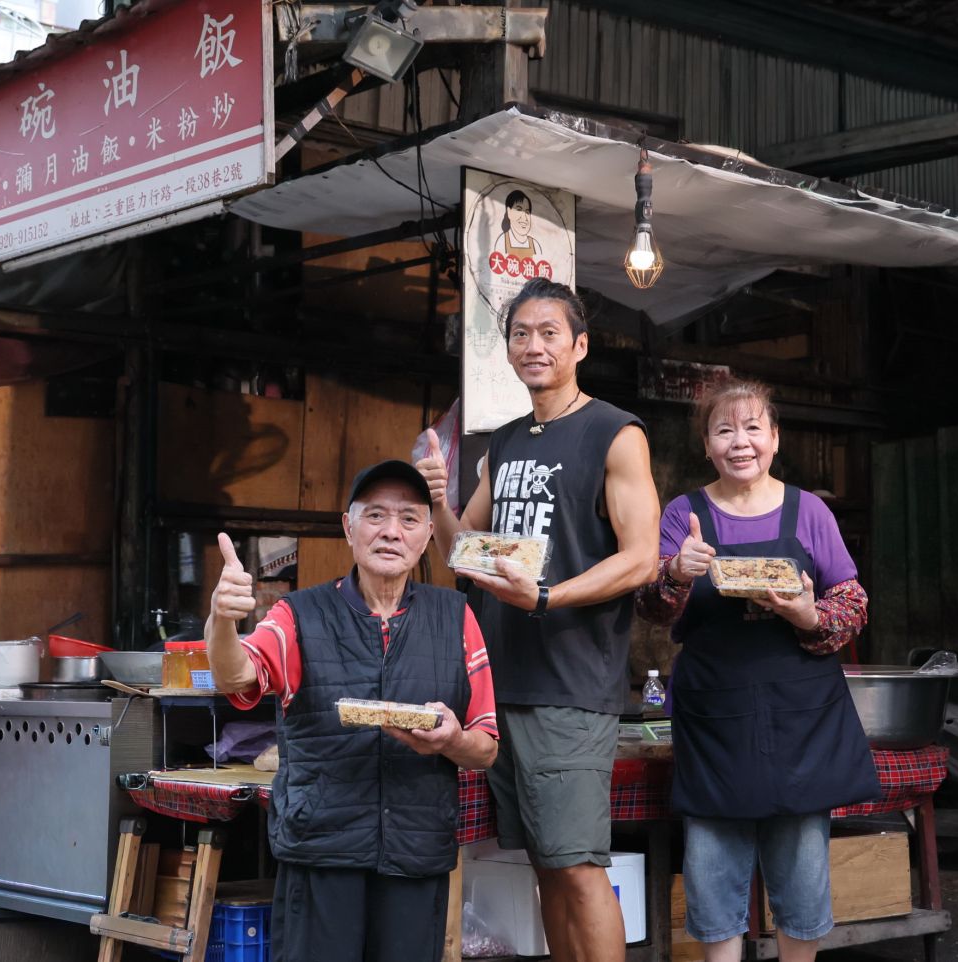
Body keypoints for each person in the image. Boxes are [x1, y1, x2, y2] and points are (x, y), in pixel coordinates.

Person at [416, 277, 660, 962]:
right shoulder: (508, 441)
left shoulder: (615, 433)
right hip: (506, 683)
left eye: (549, 332)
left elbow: (643, 558)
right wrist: (436, 499)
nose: (533, 346)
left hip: (571, 686)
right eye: (521, 334)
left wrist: (548, 596)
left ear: (579, 345)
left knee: (581, 868)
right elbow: (464, 553)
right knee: (547, 866)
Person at [205, 459, 499, 962]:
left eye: (409, 519)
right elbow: (237, 676)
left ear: (429, 534)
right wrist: (222, 619)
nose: (391, 531)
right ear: (348, 527)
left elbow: (486, 746)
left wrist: (451, 739)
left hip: (416, 852)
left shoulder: (456, 617)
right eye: (375, 516)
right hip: (322, 853)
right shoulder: (297, 615)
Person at [635, 377, 879, 962]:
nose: (739, 442)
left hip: (801, 717)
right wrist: (676, 575)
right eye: (724, 430)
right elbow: (647, 606)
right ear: (707, 445)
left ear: (774, 437)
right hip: (717, 715)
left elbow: (852, 602)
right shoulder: (682, 513)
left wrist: (807, 613)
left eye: (752, 428)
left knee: (801, 871)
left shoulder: (809, 510)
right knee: (712, 868)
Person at [497, 189, 542, 259]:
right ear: (509, 211)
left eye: (527, 212)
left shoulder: (535, 245)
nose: (524, 218)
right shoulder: (502, 241)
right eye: (519, 210)